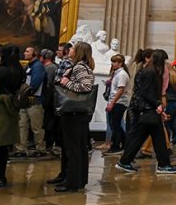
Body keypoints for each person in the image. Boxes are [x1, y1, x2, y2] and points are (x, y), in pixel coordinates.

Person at [117, 49, 176, 176]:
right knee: (156, 138)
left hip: (146, 109)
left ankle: (125, 161)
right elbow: (145, 92)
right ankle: (163, 165)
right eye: (164, 60)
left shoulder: (149, 70)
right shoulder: (150, 72)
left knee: (141, 138)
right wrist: (157, 104)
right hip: (147, 109)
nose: (165, 63)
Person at [54, 41, 96, 192]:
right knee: (75, 148)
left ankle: (72, 182)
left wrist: (67, 83)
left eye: (72, 48)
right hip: (75, 114)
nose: (70, 49)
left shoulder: (80, 67)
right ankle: (75, 180)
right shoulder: (79, 66)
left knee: (74, 148)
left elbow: (86, 87)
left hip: (75, 113)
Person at [0, 44, 23, 188]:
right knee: (3, 147)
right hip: (11, 108)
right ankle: (0, 175)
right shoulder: (19, 69)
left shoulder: (1, 70)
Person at [13, 46, 46, 158]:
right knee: (22, 125)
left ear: (34, 54)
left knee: (36, 127)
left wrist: (24, 93)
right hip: (25, 101)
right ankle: (21, 148)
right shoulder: (29, 65)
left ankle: (40, 148)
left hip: (34, 101)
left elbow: (35, 84)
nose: (25, 53)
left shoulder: (38, 66)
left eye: (28, 51)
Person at [103, 54, 130, 156]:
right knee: (114, 124)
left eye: (114, 62)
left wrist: (112, 103)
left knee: (115, 125)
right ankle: (125, 144)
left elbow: (121, 90)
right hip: (115, 101)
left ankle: (115, 147)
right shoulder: (116, 73)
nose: (112, 64)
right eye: (112, 62)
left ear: (120, 63)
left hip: (119, 102)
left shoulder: (122, 74)